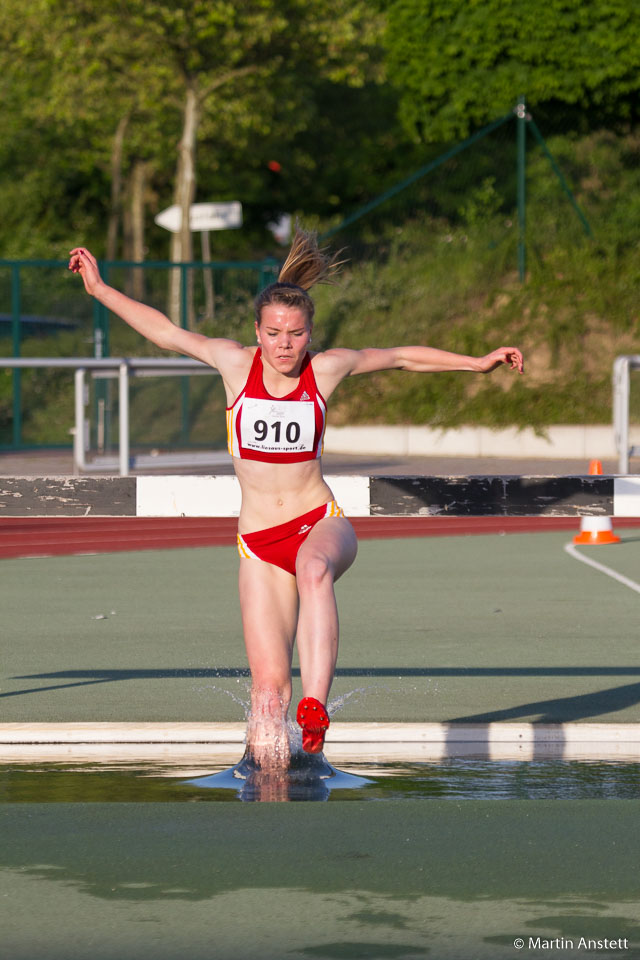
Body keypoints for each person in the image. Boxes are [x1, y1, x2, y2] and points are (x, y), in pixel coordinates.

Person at [69, 229, 523, 762]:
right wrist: (99, 289)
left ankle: (315, 706)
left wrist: (476, 362)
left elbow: (400, 356)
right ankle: (271, 782)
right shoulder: (233, 363)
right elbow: (166, 332)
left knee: (312, 569)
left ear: (310, 333)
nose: (285, 345)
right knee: (266, 696)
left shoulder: (325, 369)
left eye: (296, 333)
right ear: (257, 332)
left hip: (318, 522)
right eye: (274, 333)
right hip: (258, 545)